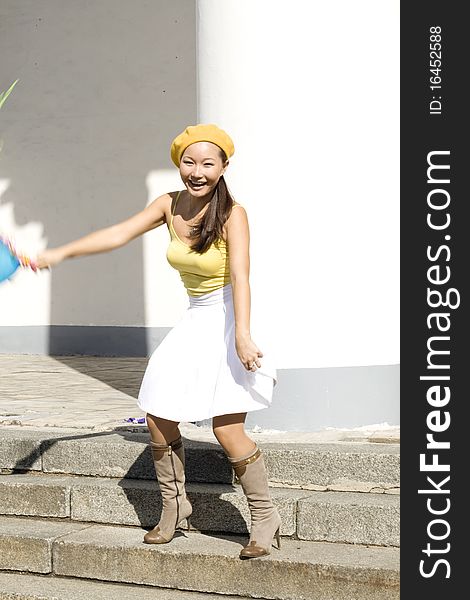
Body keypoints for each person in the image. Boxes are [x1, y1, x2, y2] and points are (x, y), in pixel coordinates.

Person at [36, 123, 279, 559]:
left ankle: (264, 517)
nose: (197, 171)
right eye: (189, 161)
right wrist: (56, 254)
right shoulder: (168, 205)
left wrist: (242, 334)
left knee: (226, 428)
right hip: (195, 318)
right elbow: (118, 234)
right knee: (158, 412)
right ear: (178, 164)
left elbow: (241, 276)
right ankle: (174, 507)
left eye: (208, 162)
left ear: (224, 166)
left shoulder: (232, 213)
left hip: (226, 318)